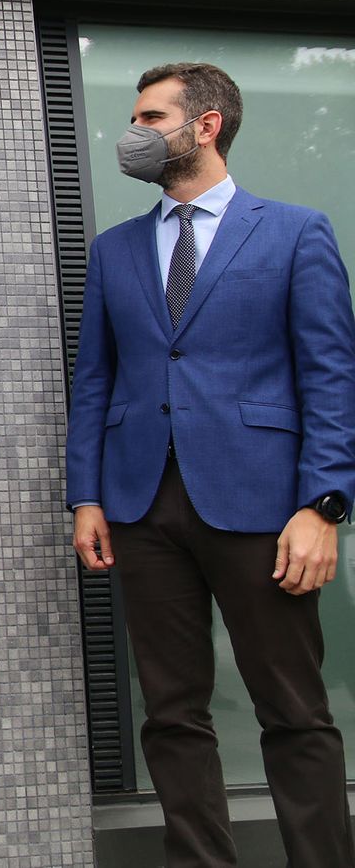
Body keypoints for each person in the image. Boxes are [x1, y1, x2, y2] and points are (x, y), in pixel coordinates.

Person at [68, 62, 355, 868]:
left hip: (263, 506)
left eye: (152, 117)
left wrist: (324, 505)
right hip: (140, 505)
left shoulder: (296, 231)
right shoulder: (115, 249)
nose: (135, 132)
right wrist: (85, 495)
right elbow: (96, 377)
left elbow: (331, 376)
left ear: (206, 126)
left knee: (295, 711)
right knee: (171, 711)